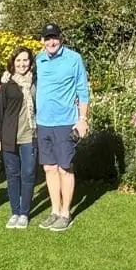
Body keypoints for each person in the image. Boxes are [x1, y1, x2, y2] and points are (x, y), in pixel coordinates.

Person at [34, 23, 90, 231]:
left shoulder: (74, 59)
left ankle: (66, 213)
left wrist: (82, 119)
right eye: (47, 38)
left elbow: (82, 90)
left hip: (65, 122)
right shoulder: (38, 59)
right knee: (49, 168)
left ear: (61, 38)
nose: (51, 42)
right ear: (42, 41)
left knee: (64, 168)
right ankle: (55, 211)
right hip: (43, 123)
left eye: (54, 37)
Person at [0, 47, 37, 229]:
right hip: (9, 136)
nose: (22, 64)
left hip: (30, 135)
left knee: (28, 173)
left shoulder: (36, 82)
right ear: (13, 62)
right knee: (12, 175)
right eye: (18, 60)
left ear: (30, 62)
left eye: (25, 60)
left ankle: (24, 213)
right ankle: (15, 212)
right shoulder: (7, 84)